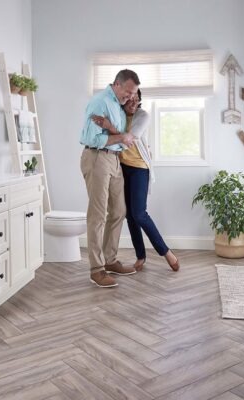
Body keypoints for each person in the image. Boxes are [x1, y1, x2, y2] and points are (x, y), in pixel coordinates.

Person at [92, 89, 180, 272]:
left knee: (139, 213)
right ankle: (140, 255)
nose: (133, 102)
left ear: (140, 100)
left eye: (136, 99)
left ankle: (166, 252)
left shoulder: (143, 115)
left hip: (140, 168)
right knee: (128, 214)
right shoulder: (119, 114)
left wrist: (110, 127)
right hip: (122, 168)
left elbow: (129, 139)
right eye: (130, 99)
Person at [80, 69, 139, 288]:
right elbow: (93, 138)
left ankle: (110, 259)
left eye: (133, 94)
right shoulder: (101, 102)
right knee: (98, 214)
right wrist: (121, 137)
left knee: (119, 211)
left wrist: (120, 134)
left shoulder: (119, 106)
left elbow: (122, 139)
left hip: (114, 159)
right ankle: (96, 269)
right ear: (117, 84)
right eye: (127, 92)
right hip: (97, 157)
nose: (130, 96)